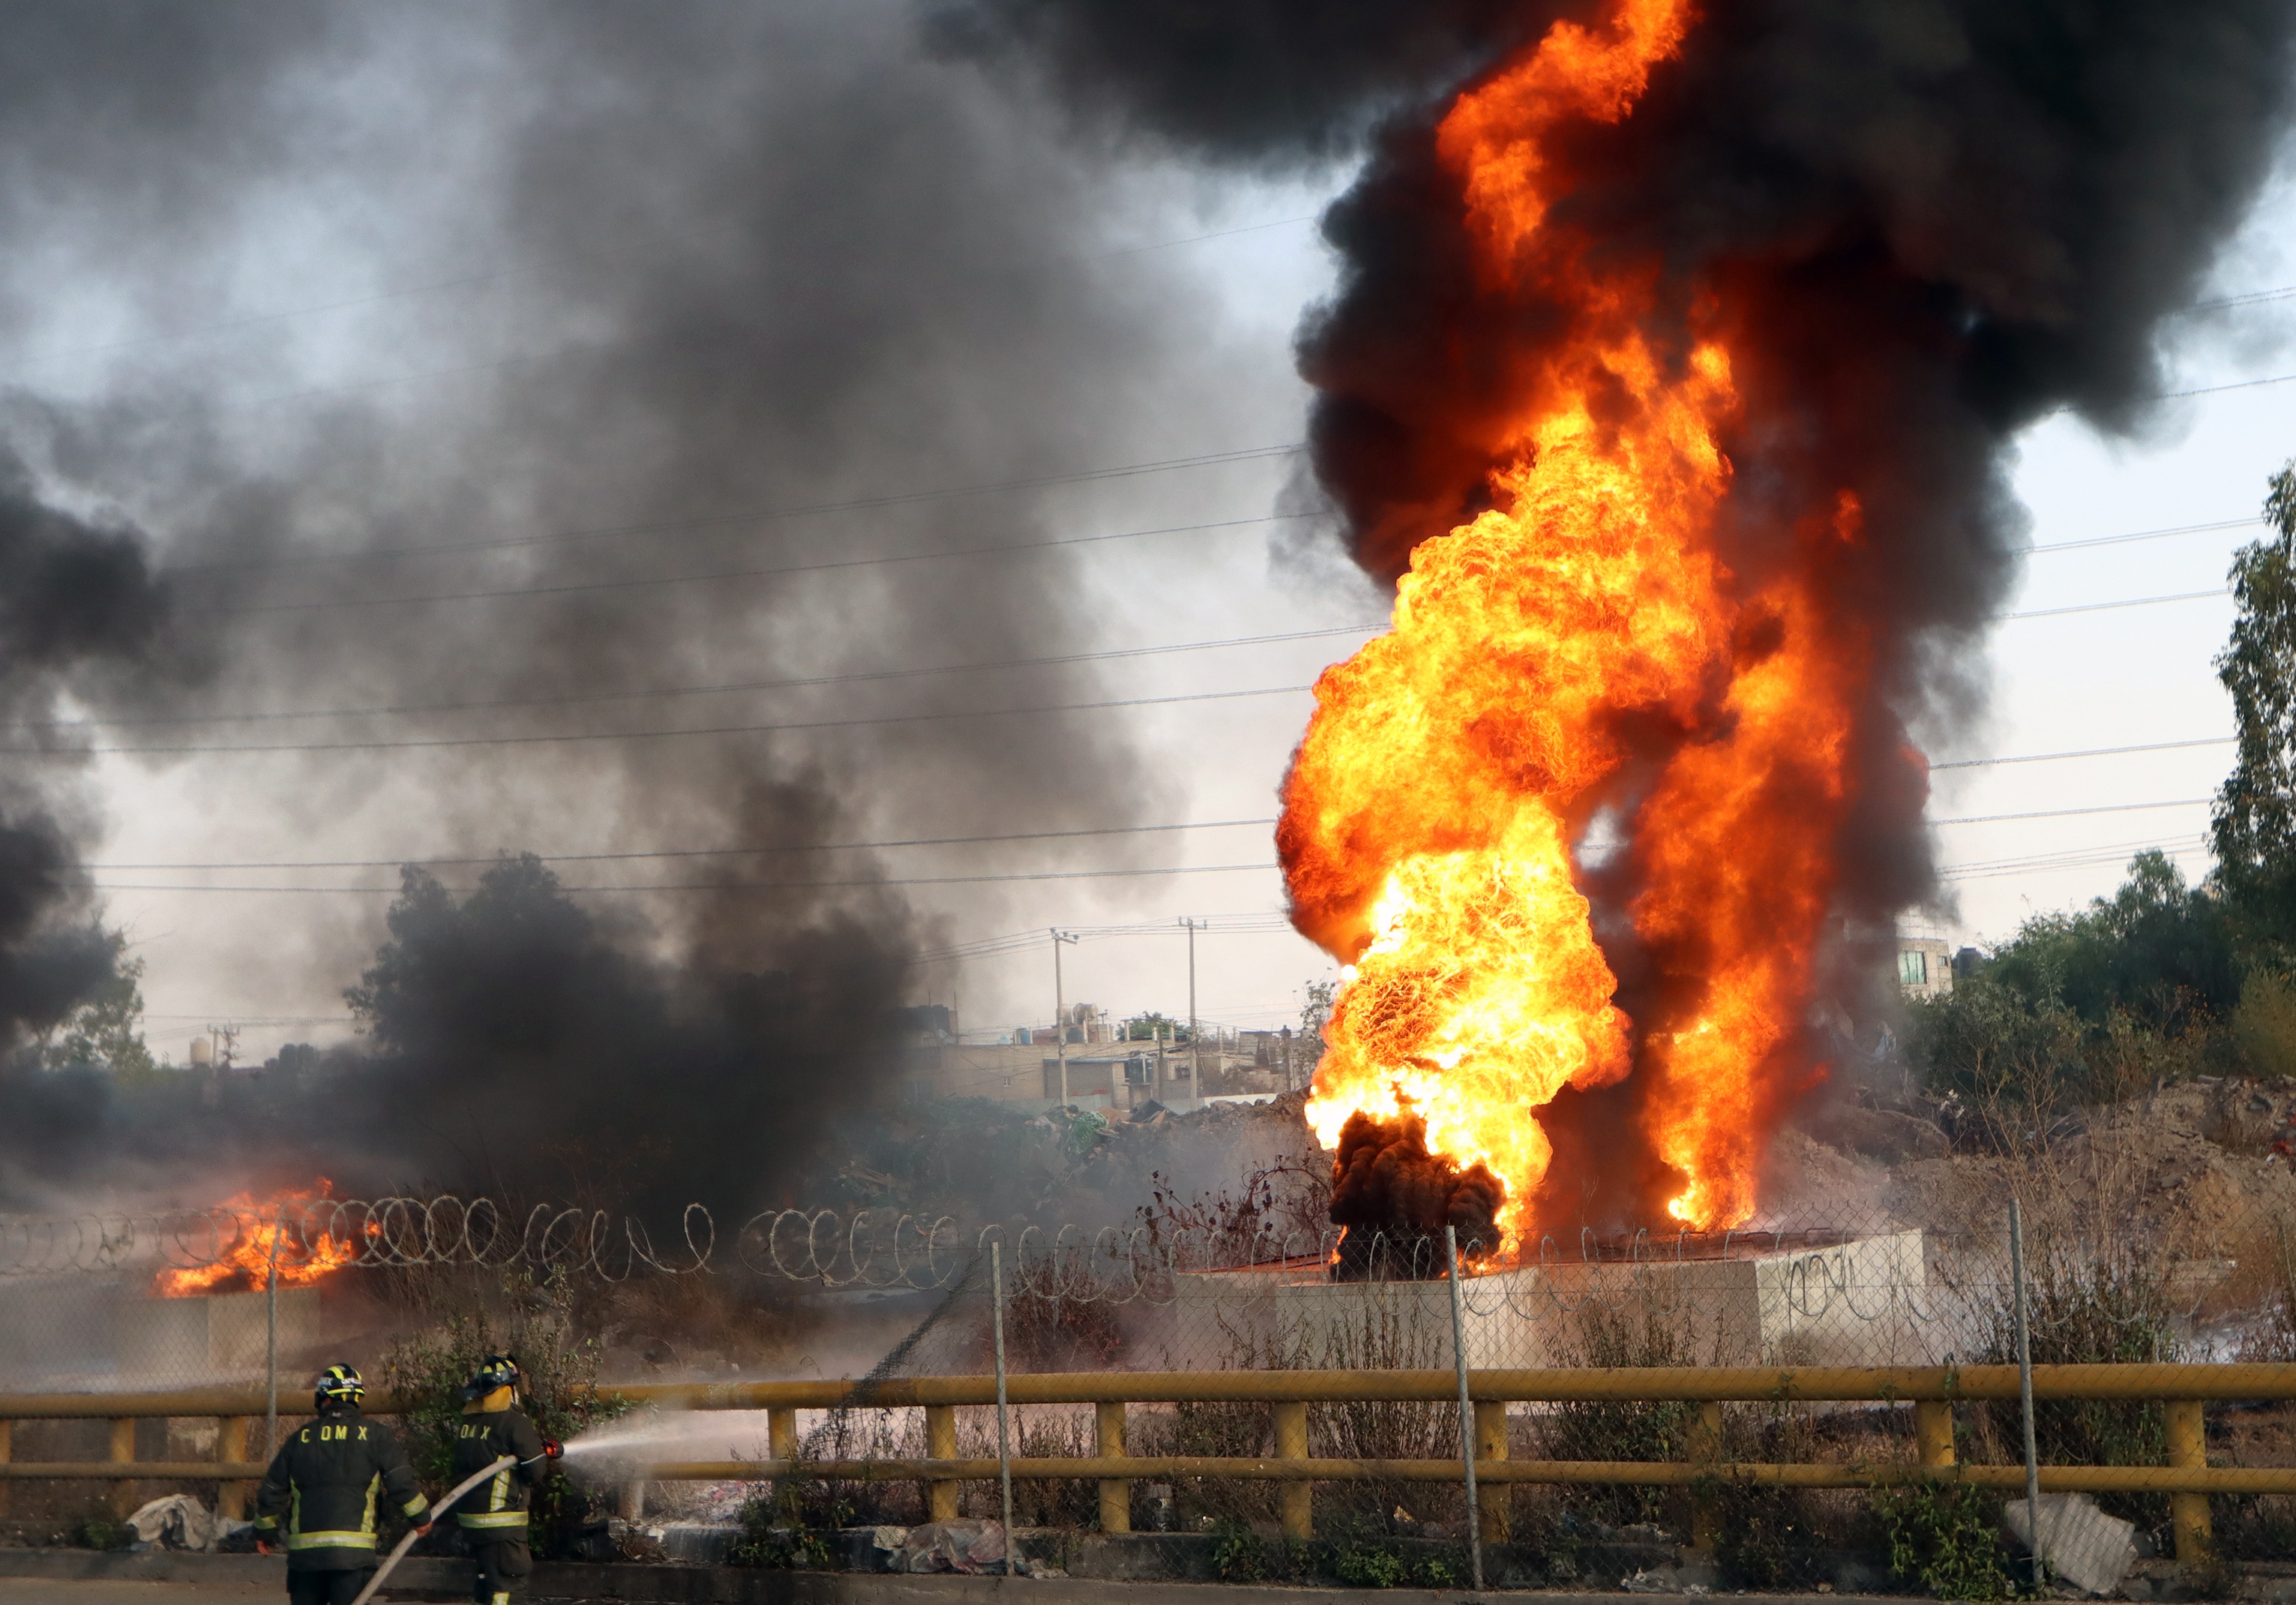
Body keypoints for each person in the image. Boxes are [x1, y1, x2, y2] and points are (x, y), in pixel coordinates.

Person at [253, 1364, 430, 1605]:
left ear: (323, 1398)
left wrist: (265, 1532)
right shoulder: (376, 1436)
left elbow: (273, 1489)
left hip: (306, 1560)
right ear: (356, 1398)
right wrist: (421, 1518)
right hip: (353, 1558)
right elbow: (400, 1481)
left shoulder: (300, 1438)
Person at [447, 1353, 560, 1605]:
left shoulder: (468, 1422)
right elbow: (535, 1470)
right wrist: (539, 1453)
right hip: (500, 1524)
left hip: (472, 1522)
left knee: (489, 1581)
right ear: (508, 1389)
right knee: (509, 1584)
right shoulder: (513, 1422)